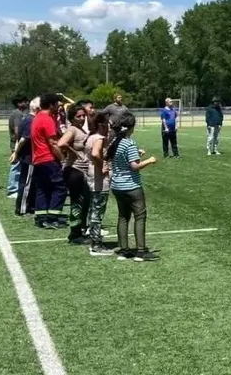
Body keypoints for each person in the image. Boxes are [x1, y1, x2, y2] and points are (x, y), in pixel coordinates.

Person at [108, 110, 159, 262]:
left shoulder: (114, 142)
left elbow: (120, 158)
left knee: (123, 217)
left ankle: (124, 250)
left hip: (117, 185)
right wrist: (150, 160)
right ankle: (141, 251)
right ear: (131, 127)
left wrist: (136, 153)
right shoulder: (129, 142)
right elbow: (134, 166)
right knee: (140, 216)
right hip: (131, 185)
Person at [30, 93, 69, 230]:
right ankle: (52, 218)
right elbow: (53, 143)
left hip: (38, 159)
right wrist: (63, 160)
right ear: (52, 105)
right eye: (57, 104)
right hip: (48, 158)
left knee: (43, 188)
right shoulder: (47, 119)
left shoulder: (37, 117)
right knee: (60, 187)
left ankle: (40, 217)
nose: (59, 106)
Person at [58, 104, 94, 245]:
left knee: (84, 201)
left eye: (83, 115)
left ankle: (80, 230)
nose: (82, 118)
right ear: (72, 117)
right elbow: (62, 143)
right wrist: (76, 154)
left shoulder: (80, 129)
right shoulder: (72, 129)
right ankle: (75, 234)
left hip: (82, 171)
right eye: (78, 116)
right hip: (74, 170)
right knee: (77, 202)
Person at [85, 112, 112, 256]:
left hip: (91, 176)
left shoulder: (91, 137)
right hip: (99, 179)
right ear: (102, 124)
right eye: (108, 124)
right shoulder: (99, 138)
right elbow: (96, 154)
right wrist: (102, 165)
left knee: (93, 209)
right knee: (98, 211)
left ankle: (94, 239)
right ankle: (96, 245)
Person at [11, 97, 37, 220]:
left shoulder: (28, 119)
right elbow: (23, 139)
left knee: (30, 183)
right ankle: (21, 208)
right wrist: (16, 152)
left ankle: (30, 206)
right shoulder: (29, 121)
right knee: (26, 184)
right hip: (29, 157)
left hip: (31, 157)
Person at [6, 96, 28, 198]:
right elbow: (17, 130)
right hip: (16, 143)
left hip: (18, 142)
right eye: (24, 101)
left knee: (18, 166)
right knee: (16, 166)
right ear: (19, 103)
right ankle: (12, 189)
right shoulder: (17, 114)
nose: (27, 103)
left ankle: (16, 187)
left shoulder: (19, 113)